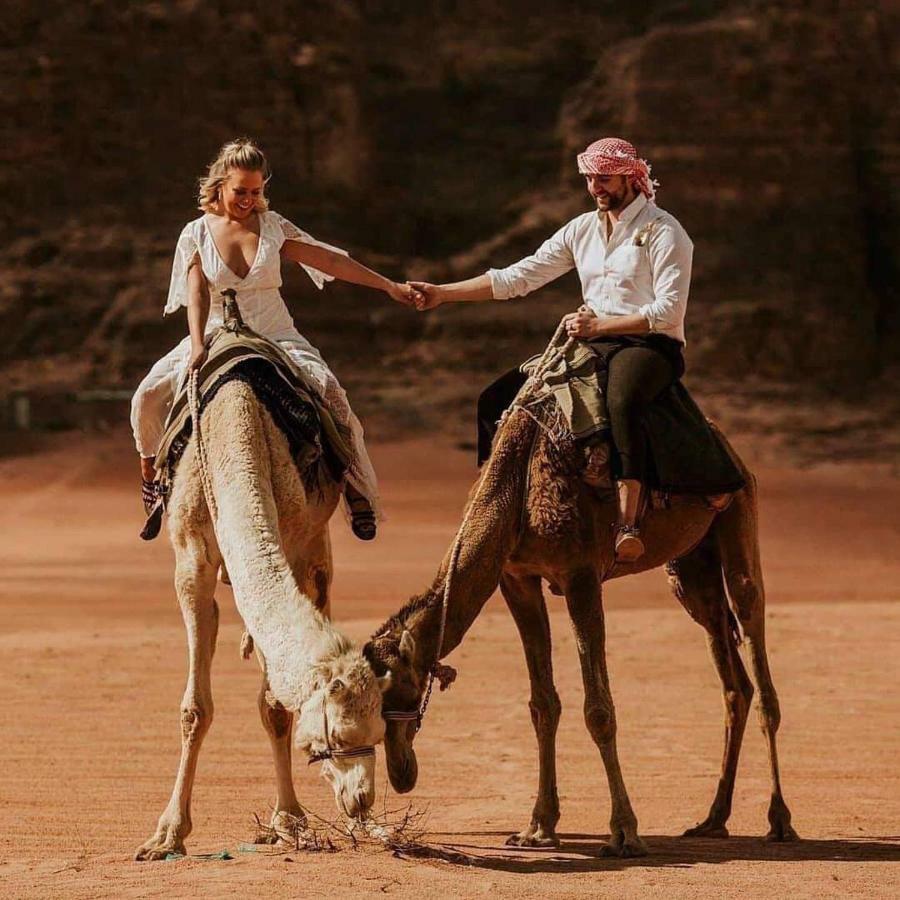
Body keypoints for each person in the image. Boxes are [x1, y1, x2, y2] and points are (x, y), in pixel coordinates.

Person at [409, 137, 693, 562]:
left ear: (631, 177)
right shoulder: (581, 230)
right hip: (591, 341)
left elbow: (668, 311)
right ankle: (496, 507)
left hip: (649, 344)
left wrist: (599, 324)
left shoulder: (664, 230)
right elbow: (517, 278)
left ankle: (629, 519)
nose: (597, 186)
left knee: (622, 398)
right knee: (495, 398)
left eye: (605, 178)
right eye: (591, 178)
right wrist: (442, 293)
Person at [131, 138, 421, 541]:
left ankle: (357, 488)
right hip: (215, 332)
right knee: (146, 395)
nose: (248, 200)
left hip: (276, 333)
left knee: (331, 393)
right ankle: (153, 479)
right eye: (240, 192)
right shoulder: (195, 232)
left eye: (256, 191)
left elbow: (332, 260)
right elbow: (196, 291)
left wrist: (388, 286)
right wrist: (197, 343)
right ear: (219, 186)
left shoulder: (274, 227)